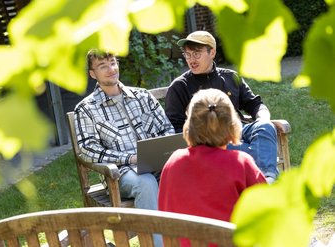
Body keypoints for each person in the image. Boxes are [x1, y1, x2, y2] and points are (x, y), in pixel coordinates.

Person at [165, 30, 279, 183]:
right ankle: (264, 182)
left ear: (212, 52)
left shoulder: (231, 77)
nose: (191, 59)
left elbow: (255, 104)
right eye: (187, 54)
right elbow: (176, 128)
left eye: (196, 54)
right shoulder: (179, 87)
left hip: (240, 130)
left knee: (265, 126)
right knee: (256, 149)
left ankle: (267, 180)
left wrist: (263, 119)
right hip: (211, 142)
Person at [74, 49, 175, 212]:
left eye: (113, 63)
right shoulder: (86, 109)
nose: (111, 69)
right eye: (102, 66)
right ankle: (156, 238)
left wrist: (160, 152)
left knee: (186, 172)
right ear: (93, 74)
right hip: (120, 173)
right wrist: (130, 158)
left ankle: (192, 236)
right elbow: (88, 150)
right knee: (146, 183)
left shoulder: (143, 96)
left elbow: (166, 128)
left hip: (156, 164)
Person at [159, 88, 266, 224]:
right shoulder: (240, 163)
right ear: (232, 125)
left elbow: (165, 211)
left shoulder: (173, 162)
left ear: (190, 125)